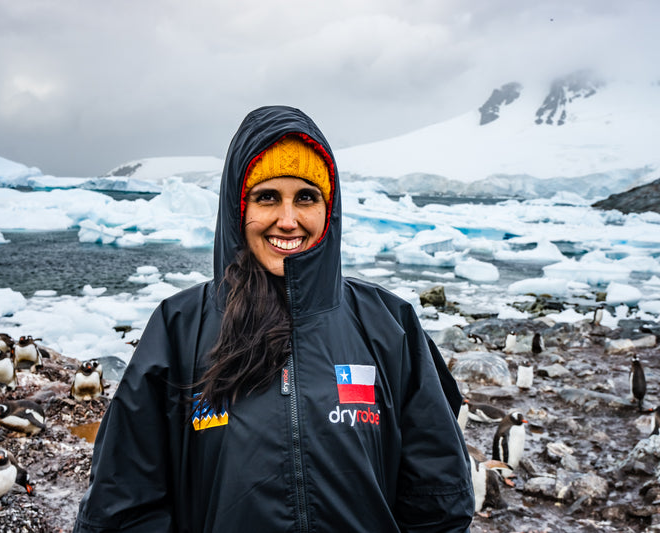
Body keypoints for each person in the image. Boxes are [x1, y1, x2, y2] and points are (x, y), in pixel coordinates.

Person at [73, 105, 474, 532]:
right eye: (267, 197)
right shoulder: (180, 329)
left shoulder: (388, 325)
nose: (288, 220)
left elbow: (438, 497)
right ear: (238, 208)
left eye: (306, 196)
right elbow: (122, 507)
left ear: (328, 208)